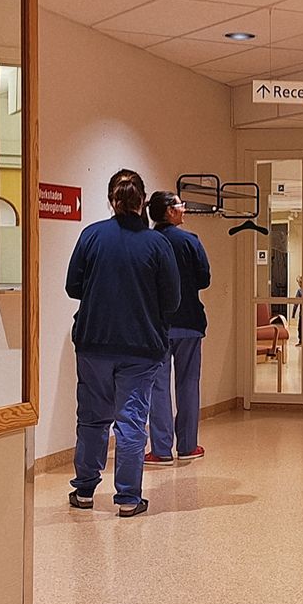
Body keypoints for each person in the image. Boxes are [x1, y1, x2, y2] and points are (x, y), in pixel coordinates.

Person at [65, 169, 179, 517]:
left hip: (94, 343)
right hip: (141, 346)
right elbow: (172, 300)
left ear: (110, 200)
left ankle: (85, 490)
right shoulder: (157, 244)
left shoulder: (91, 236)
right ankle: (128, 498)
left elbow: (73, 287)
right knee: (131, 421)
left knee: (92, 418)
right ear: (142, 201)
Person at [144, 190, 210, 467]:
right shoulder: (190, 241)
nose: (184, 209)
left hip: (156, 325)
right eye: (181, 205)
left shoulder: (147, 241)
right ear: (170, 211)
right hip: (189, 322)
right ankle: (187, 445)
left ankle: (160, 449)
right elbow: (204, 279)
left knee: (158, 387)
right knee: (188, 384)